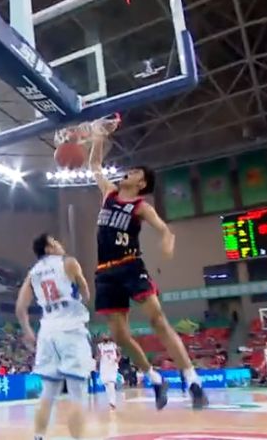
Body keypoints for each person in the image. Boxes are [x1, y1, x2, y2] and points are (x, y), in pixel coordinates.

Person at [89, 125, 207, 410]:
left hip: (130, 265)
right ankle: (154, 378)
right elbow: (94, 165)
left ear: (141, 183)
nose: (127, 173)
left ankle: (192, 379)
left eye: (134, 172)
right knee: (120, 336)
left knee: (157, 319)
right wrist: (98, 136)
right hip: (105, 272)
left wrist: (167, 243)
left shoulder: (142, 207)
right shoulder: (109, 194)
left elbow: (165, 230)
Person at [16, 234, 92, 440]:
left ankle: (38, 437)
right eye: (55, 242)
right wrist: (81, 297)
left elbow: (20, 307)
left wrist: (27, 330)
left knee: (48, 393)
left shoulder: (33, 273)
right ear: (48, 248)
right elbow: (86, 293)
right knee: (77, 394)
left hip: (47, 331)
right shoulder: (68, 262)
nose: (60, 244)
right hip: (71, 329)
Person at [98, 335, 120, 410]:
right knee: (107, 385)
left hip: (112, 366)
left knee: (111, 384)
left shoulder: (114, 345)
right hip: (104, 367)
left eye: (106, 335)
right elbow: (98, 356)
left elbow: (119, 354)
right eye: (103, 336)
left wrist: (118, 359)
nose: (105, 336)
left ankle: (113, 402)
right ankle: (111, 402)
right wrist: (97, 360)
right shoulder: (100, 346)